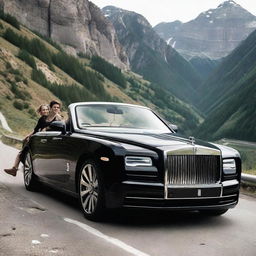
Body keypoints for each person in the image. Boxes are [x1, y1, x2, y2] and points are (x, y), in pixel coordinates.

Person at [4, 104, 50, 176]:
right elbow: (36, 130)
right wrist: (28, 135)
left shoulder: (47, 119)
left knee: (22, 154)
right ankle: (15, 169)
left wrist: (32, 136)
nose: (45, 111)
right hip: (35, 138)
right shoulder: (41, 119)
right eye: (43, 110)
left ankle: (16, 169)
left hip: (38, 139)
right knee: (21, 153)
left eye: (46, 109)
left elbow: (42, 130)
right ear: (40, 112)